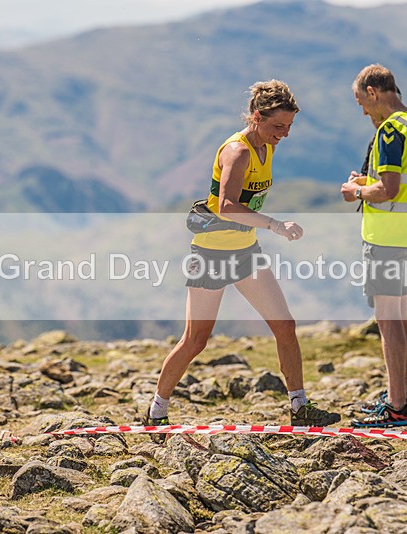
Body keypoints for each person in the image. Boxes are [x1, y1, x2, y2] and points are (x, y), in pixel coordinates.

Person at [145, 80, 340, 441]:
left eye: (289, 127)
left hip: (245, 251)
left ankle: (300, 406)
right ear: (256, 117)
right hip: (211, 253)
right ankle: (156, 411)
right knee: (196, 339)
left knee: (285, 325)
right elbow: (227, 206)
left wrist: (263, 229)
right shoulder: (237, 151)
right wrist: (275, 225)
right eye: (277, 127)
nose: (283, 135)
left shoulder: (266, 146)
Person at [340, 64, 407, 427]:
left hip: (386, 236)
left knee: (388, 320)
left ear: (373, 92)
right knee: (403, 318)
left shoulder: (391, 130)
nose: (363, 111)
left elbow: (389, 190)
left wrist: (356, 191)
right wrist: (371, 181)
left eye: (361, 102)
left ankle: (396, 408)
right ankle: (402, 398)